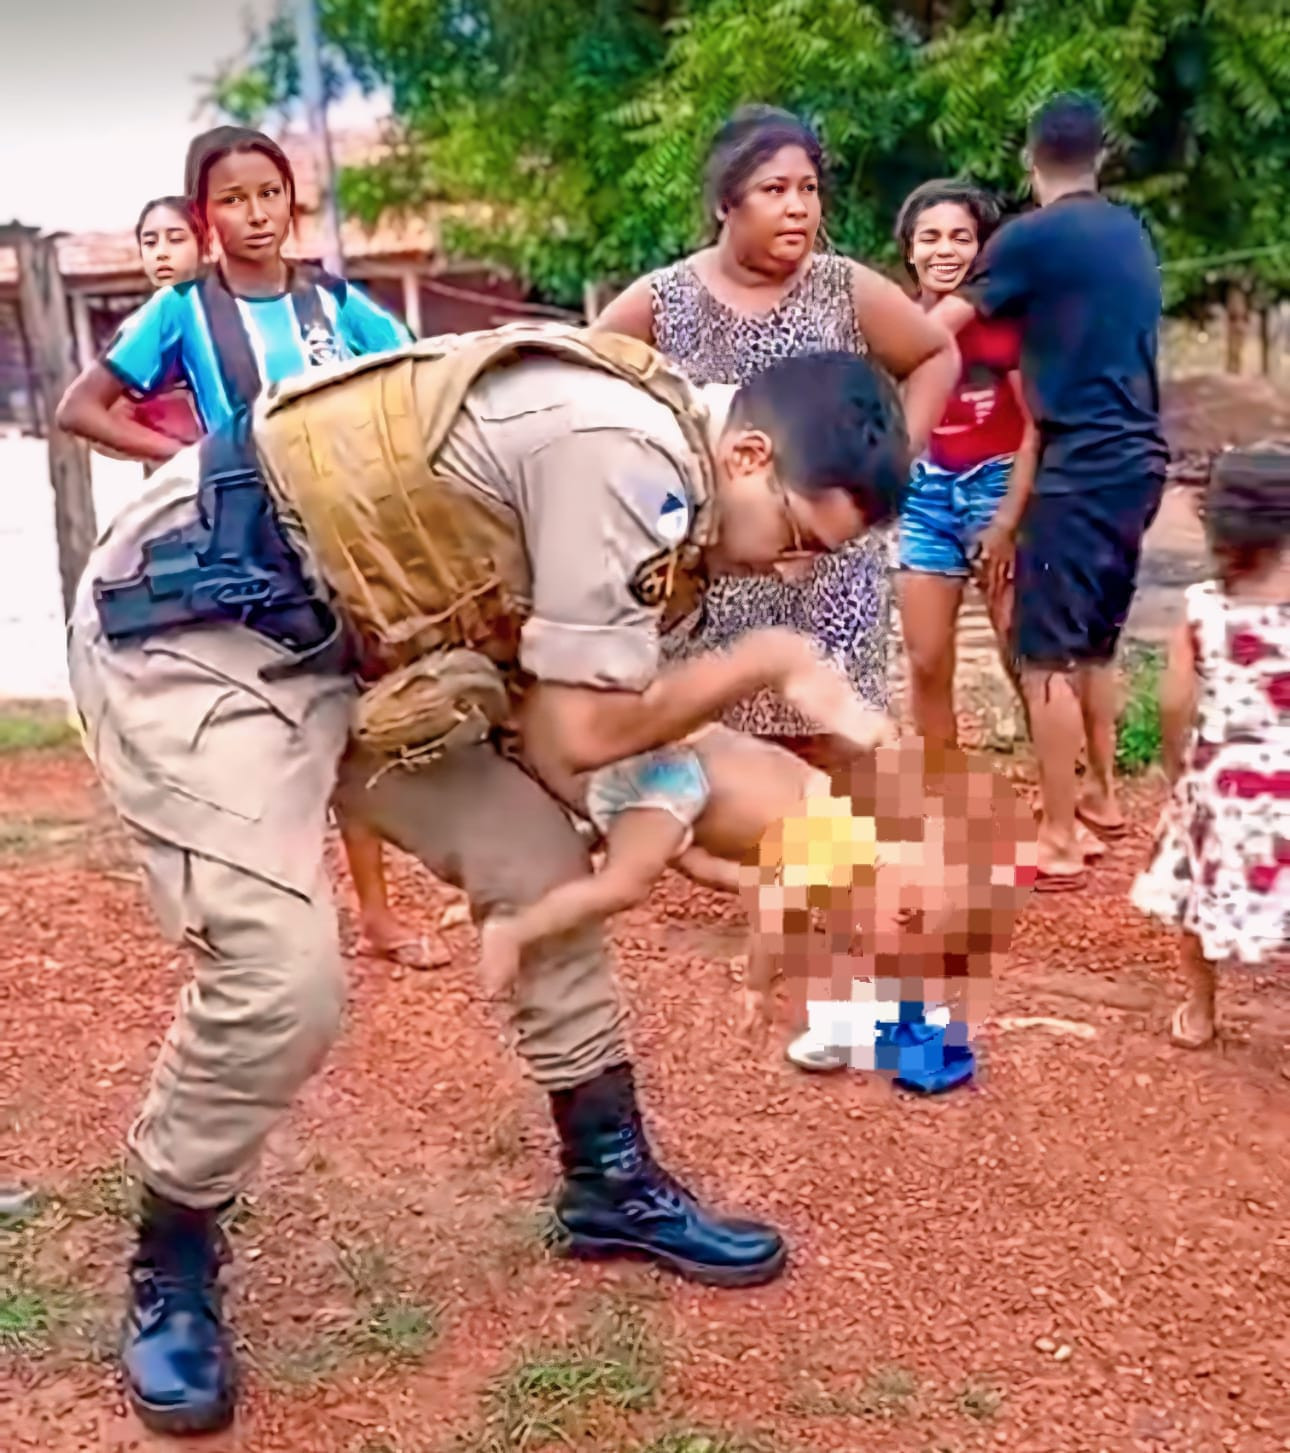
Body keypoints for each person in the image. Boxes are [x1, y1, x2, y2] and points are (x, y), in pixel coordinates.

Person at [63, 321, 910, 1434]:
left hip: (369, 655)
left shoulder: (691, 519)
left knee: (534, 858)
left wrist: (700, 838)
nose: (787, 569)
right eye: (799, 537)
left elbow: (574, 755)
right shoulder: (628, 450)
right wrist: (762, 668)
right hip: (195, 623)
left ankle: (608, 1179)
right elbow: (584, 726)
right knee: (282, 979)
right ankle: (170, 1256)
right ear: (750, 455)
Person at [58, 129, 440, 971]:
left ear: (290, 201)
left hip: (346, 546)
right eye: (232, 199)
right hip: (242, 554)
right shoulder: (181, 310)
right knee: (257, 732)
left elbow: (416, 380)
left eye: (268, 193)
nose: (254, 213)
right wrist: (189, 459)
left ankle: (376, 917)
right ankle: (270, 926)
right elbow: (82, 407)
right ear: (206, 216)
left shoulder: (335, 303)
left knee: (357, 726)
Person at [593, 105, 958, 748]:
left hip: (828, 568)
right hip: (716, 571)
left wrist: (889, 463)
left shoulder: (845, 289)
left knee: (838, 744)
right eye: (774, 190)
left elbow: (936, 354)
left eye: (809, 190)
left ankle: (839, 849)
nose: (798, 208)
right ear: (725, 204)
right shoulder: (662, 299)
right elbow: (583, 386)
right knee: (716, 759)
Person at [930, 93, 1169, 891]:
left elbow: (942, 326)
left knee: (1044, 655)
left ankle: (1061, 837)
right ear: (1102, 157)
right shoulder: (1129, 231)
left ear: (1032, 159)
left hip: (1077, 461)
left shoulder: (1026, 239)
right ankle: (1099, 794)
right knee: (1094, 638)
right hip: (1140, 459)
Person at [478, 701, 898, 999]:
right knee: (624, 884)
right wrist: (758, 984)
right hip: (675, 782)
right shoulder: (837, 854)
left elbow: (723, 873)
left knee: (682, 855)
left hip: (687, 748)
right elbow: (769, 921)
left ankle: (535, 760)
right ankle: (518, 929)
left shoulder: (833, 800)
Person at [1131, 447, 1289, 1048]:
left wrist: (1179, 769)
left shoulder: (1203, 608)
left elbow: (1174, 703)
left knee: (1198, 900)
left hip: (1223, 784)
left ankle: (1200, 1010)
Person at [894, 179, 1039, 749]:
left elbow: (1036, 427)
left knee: (1020, 647)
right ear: (910, 250)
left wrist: (1006, 522)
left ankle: (1055, 782)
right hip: (925, 495)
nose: (944, 250)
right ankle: (944, 794)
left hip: (998, 485)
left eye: (961, 237)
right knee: (926, 658)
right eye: (929, 238)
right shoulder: (896, 326)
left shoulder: (1003, 327)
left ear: (982, 251)